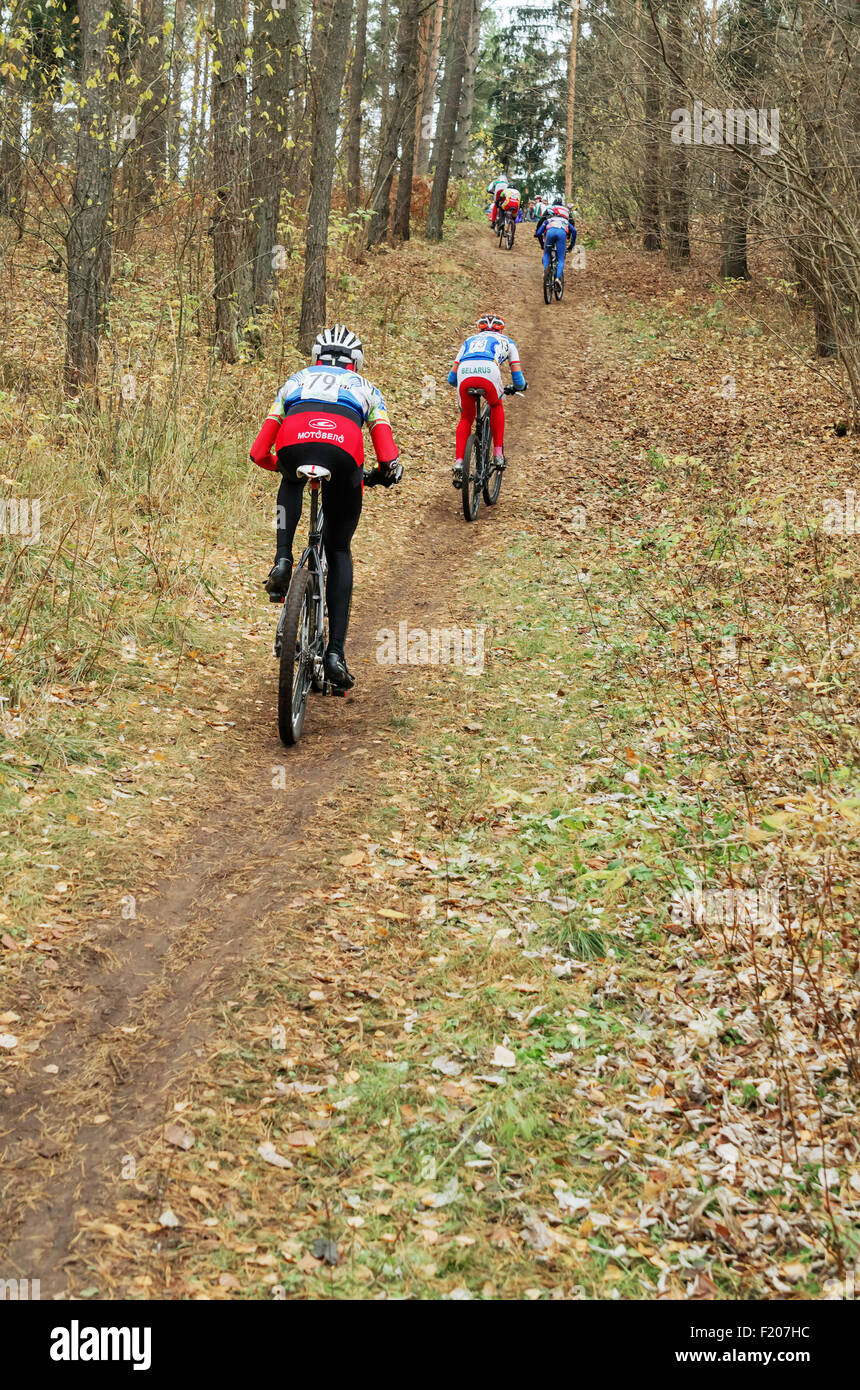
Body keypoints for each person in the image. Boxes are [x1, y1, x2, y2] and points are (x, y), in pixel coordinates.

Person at [249, 325, 401, 691]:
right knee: (337, 548)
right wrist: (382, 474)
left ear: (316, 357)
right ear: (356, 363)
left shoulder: (294, 381)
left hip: (294, 447)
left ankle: (283, 558)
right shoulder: (367, 389)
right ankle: (335, 653)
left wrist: (287, 467)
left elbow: (257, 452)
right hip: (344, 454)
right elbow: (387, 456)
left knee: (290, 480)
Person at [447, 313, 527, 488]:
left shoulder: (468, 342)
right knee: (496, 404)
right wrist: (520, 387)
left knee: (465, 419)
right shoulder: (508, 342)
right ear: (501, 327)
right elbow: (518, 380)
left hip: (465, 373)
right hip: (489, 372)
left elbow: (451, 379)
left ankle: (459, 462)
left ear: (480, 327)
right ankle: (498, 454)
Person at [535, 199, 577, 291]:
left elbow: (539, 229)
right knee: (561, 258)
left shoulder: (549, 216)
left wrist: (542, 244)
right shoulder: (566, 213)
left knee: (546, 253)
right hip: (562, 232)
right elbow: (574, 230)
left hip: (549, 231)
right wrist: (571, 245)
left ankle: (546, 272)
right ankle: (557, 278)